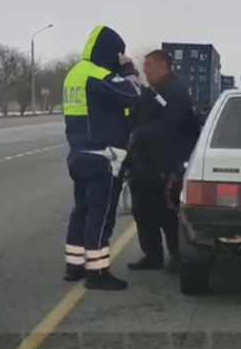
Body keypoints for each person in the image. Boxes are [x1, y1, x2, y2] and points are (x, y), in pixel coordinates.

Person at [62, 25, 142, 291]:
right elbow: (134, 94)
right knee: (101, 214)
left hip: (79, 154)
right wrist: (128, 69)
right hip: (102, 158)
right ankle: (97, 272)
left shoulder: (75, 74)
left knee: (82, 210)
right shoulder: (97, 76)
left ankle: (74, 266)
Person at [126, 49, 200, 272]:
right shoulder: (150, 91)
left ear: (163, 67)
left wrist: (139, 135)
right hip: (144, 161)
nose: (145, 70)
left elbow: (171, 124)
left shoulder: (175, 92)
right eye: (144, 66)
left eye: (149, 66)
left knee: (165, 211)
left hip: (167, 161)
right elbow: (137, 116)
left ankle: (177, 254)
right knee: (142, 210)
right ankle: (152, 255)